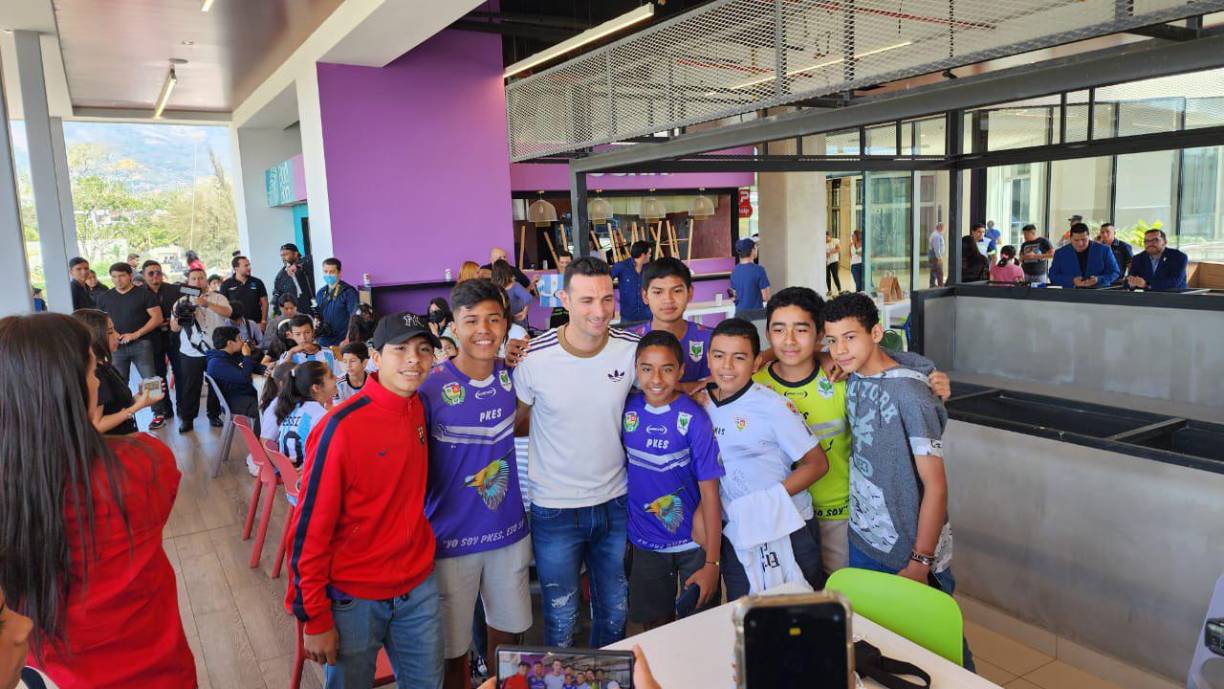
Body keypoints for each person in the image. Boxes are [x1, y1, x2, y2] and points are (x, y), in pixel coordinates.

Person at [0, 313, 195, 688]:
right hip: (157, 669)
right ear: (69, 389)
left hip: (49, 674)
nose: (96, 383)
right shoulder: (145, 461)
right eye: (91, 374)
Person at [285, 312, 443, 688]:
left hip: (417, 585)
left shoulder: (418, 408)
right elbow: (308, 530)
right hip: (354, 596)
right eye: (400, 349)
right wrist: (314, 617)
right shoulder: (339, 428)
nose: (413, 359)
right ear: (375, 356)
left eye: (423, 350)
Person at [822, 293, 972, 669]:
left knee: (941, 653)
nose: (839, 350)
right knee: (881, 649)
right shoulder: (854, 375)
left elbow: (936, 485)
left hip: (911, 550)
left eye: (850, 337)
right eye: (832, 340)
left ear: (876, 332)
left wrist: (921, 561)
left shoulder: (910, 393)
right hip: (865, 540)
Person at [513, 257, 639, 647]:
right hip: (555, 506)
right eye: (586, 300)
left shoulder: (631, 350)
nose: (599, 311)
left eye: (606, 299)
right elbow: (519, 423)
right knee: (561, 618)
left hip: (616, 501)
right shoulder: (533, 356)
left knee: (615, 613)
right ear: (564, 299)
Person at [420, 279, 532, 689]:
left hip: (508, 532)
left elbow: (529, 421)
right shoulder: (430, 388)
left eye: (493, 319)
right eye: (471, 321)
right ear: (453, 326)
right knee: (452, 656)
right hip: (450, 541)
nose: (483, 329)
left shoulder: (515, 376)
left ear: (506, 324)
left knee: (509, 649)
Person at [701, 318, 829, 599]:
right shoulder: (702, 404)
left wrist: (765, 503)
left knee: (803, 612)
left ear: (756, 362)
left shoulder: (773, 406)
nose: (727, 366)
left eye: (739, 358)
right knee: (746, 612)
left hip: (789, 525)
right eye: (719, 356)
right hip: (738, 530)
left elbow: (817, 463)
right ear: (708, 357)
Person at [624, 330, 724, 630]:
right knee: (654, 631)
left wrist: (712, 564)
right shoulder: (626, 410)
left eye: (667, 369)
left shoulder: (694, 417)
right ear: (636, 370)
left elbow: (710, 493)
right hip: (645, 544)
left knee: (699, 630)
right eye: (646, 369)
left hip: (693, 545)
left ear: (680, 371)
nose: (656, 379)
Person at [752, 288, 851, 572]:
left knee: (837, 597)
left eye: (801, 329)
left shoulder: (840, 380)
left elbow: (880, 358)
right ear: (768, 335)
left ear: (819, 335)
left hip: (837, 513)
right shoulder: (753, 387)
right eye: (779, 330)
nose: (790, 340)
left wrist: (929, 373)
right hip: (781, 515)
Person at [73, 308, 158, 435]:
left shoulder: (105, 364)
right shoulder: (94, 373)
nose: (118, 336)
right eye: (110, 332)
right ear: (93, 337)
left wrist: (140, 397)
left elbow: (116, 407)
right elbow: (97, 425)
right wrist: (136, 407)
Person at [630, 258, 711, 390]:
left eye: (677, 291)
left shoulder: (712, 340)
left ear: (690, 293)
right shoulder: (628, 342)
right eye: (658, 292)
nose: (668, 300)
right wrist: (691, 388)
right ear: (645, 296)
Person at [169, 268, 232, 433]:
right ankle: (187, 419)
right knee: (190, 386)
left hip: (215, 349)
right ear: (188, 282)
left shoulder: (218, 297)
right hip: (191, 351)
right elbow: (174, 328)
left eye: (201, 278)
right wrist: (180, 315)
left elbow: (228, 313)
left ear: (206, 280)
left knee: (215, 383)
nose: (198, 281)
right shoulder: (181, 301)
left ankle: (214, 415)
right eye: (194, 278)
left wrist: (207, 304)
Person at [270, 360, 335, 467]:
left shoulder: (292, 408)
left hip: (292, 477)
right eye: (331, 376)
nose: (336, 378)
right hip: (310, 479)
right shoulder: (320, 416)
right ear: (316, 388)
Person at [141, 260, 181, 429]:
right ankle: (160, 412)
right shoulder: (138, 293)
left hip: (175, 336)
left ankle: (184, 409)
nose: (155, 275)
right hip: (150, 339)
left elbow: (197, 291)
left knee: (181, 373)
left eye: (158, 272)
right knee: (154, 375)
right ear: (143, 275)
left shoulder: (175, 288)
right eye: (151, 273)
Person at [206, 326, 265, 432]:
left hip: (241, 393)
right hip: (233, 400)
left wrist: (265, 369)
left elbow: (252, 366)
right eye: (239, 338)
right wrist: (247, 355)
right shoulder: (217, 363)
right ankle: (259, 444)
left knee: (271, 401)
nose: (242, 341)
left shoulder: (228, 355)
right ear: (230, 343)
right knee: (264, 409)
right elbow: (245, 378)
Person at [1049, 223, 1120, 289]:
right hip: (1069, 296)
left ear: (1089, 237)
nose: (1080, 243)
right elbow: (1053, 276)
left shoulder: (1104, 250)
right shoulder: (1060, 253)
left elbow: (1115, 272)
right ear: (1070, 239)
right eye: (1076, 240)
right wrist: (1072, 280)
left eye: (1084, 239)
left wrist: (1098, 279)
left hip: (1099, 294)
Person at [315, 258, 359, 347]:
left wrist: (348, 339)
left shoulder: (349, 292)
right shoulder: (320, 293)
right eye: (325, 271)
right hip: (323, 341)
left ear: (339, 273)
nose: (328, 275)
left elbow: (354, 317)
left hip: (342, 341)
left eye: (332, 272)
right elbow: (318, 314)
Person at [220, 255, 269, 331]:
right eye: (246, 266)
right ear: (236, 268)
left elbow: (265, 302)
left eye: (249, 265)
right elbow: (223, 305)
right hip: (236, 327)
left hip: (257, 324)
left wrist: (263, 321)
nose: (249, 268)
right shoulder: (226, 284)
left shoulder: (257, 282)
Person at [610, 241, 653, 323]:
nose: (650, 256)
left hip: (647, 316)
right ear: (643, 255)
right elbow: (606, 280)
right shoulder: (622, 266)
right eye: (649, 253)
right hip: (627, 317)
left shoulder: (651, 268)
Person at [729, 238, 770, 315]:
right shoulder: (759, 270)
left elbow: (733, 296)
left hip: (739, 314)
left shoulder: (734, 270)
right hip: (756, 314)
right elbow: (766, 297)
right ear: (752, 250)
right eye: (756, 247)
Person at [273, 242, 316, 315]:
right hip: (293, 312)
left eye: (286, 254)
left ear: (296, 254)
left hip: (309, 309)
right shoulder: (280, 275)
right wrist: (277, 312)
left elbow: (311, 257)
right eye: (282, 255)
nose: (283, 258)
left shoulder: (306, 264)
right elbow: (278, 295)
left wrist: (297, 265)